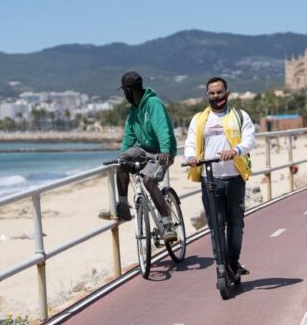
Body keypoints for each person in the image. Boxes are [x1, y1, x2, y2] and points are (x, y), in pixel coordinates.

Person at [185, 77, 256, 278]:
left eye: (219, 92)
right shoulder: (200, 119)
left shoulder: (239, 116)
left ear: (227, 92)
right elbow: (190, 142)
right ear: (207, 95)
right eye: (212, 93)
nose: (216, 96)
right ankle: (221, 265)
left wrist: (235, 150)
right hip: (210, 180)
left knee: (236, 225)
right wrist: (190, 156)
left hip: (235, 178)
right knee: (216, 226)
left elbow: (250, 139)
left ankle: (234, 262)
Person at [100, 71, 178, 242]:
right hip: (144, 149)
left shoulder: (153, 103)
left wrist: (165, 150)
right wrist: (122, 156)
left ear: (128, 90)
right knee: (123, 161)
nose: (124, 95)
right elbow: (128, 137)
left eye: (124, 91)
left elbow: (162, 127)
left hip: (162, 151)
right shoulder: (133, 111)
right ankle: (123, 207)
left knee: (149, 181)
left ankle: (167, 224)